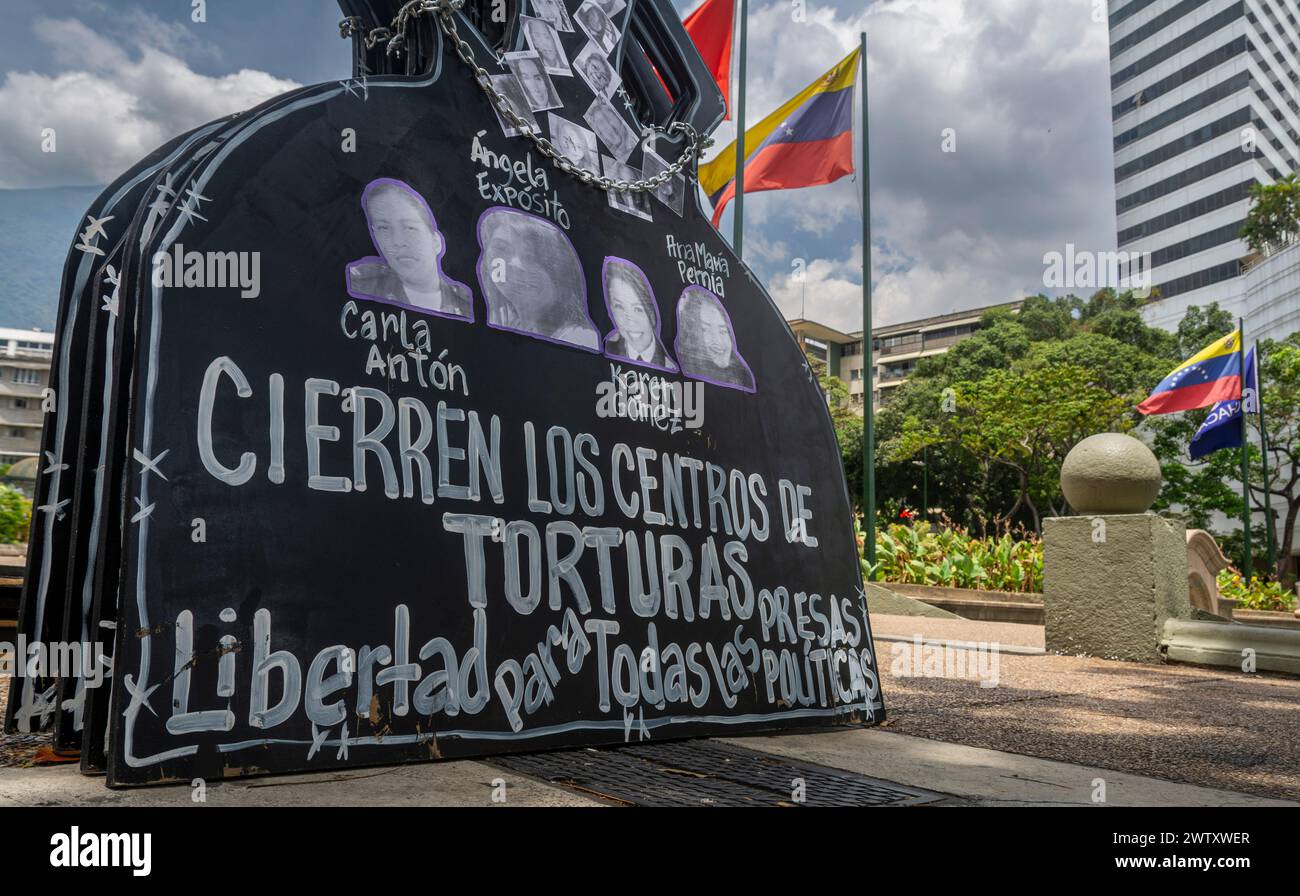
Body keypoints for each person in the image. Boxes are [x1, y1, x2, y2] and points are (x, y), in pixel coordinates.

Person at [346, 178, 472, 319]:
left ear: (436, 242)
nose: (397, 241)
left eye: (410, 228)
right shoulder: (360, 285)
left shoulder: (467, 305)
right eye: (384, 228)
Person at [476, 208, 599, 350]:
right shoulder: (509, 322)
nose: (515, 264)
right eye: (501, 249)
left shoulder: (581, 339)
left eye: (530, 257)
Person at [602, 258, 676, 371]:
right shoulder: (605, 349)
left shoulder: (672, 364)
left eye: (638, 309)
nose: (629, 321)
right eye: (619, 307)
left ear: (653, 311)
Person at [676, 286, 755, 391]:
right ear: (692, 334)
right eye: (705, 330)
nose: (718, 341)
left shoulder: (744, 380)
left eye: (723, 331)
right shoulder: (684, 385)